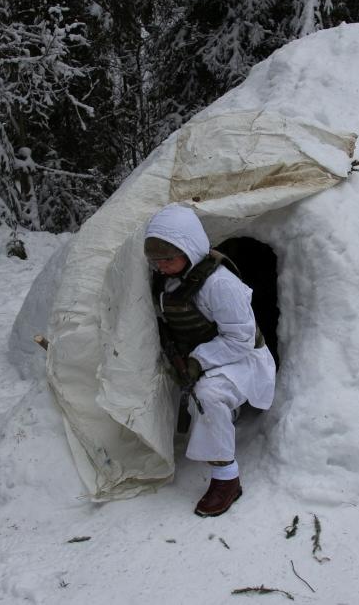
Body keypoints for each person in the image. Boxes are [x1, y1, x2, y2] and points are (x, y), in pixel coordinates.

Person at [144, 204, 276, 517]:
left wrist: (197, 362)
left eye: (168, 258)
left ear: (189, 249)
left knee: (207, 395)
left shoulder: (220, 285)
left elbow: (240, 339)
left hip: (242, 359)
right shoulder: (167, 278)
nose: (161, 266)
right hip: (200, 354)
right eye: (156, 260)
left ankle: (226, 479)